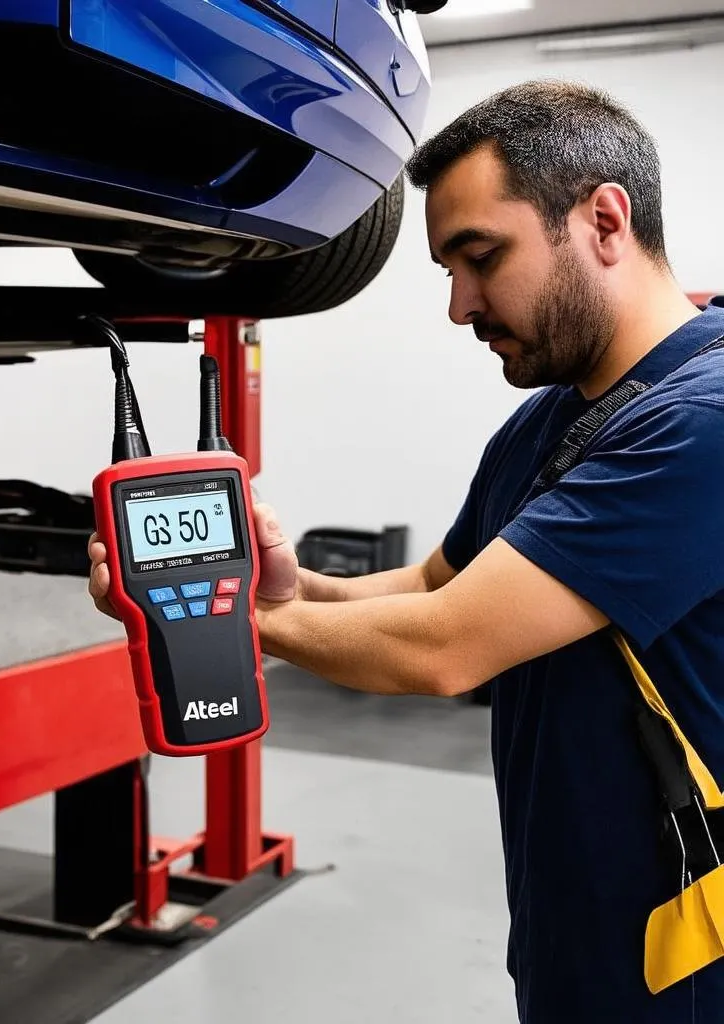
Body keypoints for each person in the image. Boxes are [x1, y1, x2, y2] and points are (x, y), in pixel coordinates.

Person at [86, 79, 724, 1023]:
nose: (460, 307)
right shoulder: (552, 416)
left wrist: (217, 611)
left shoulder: (702, 424)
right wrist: (295, 589)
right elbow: (439, 584)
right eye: (447, 271)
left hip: (683, 946)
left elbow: (443, 646)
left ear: (603, 218)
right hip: (577, 912)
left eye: (481, 257)